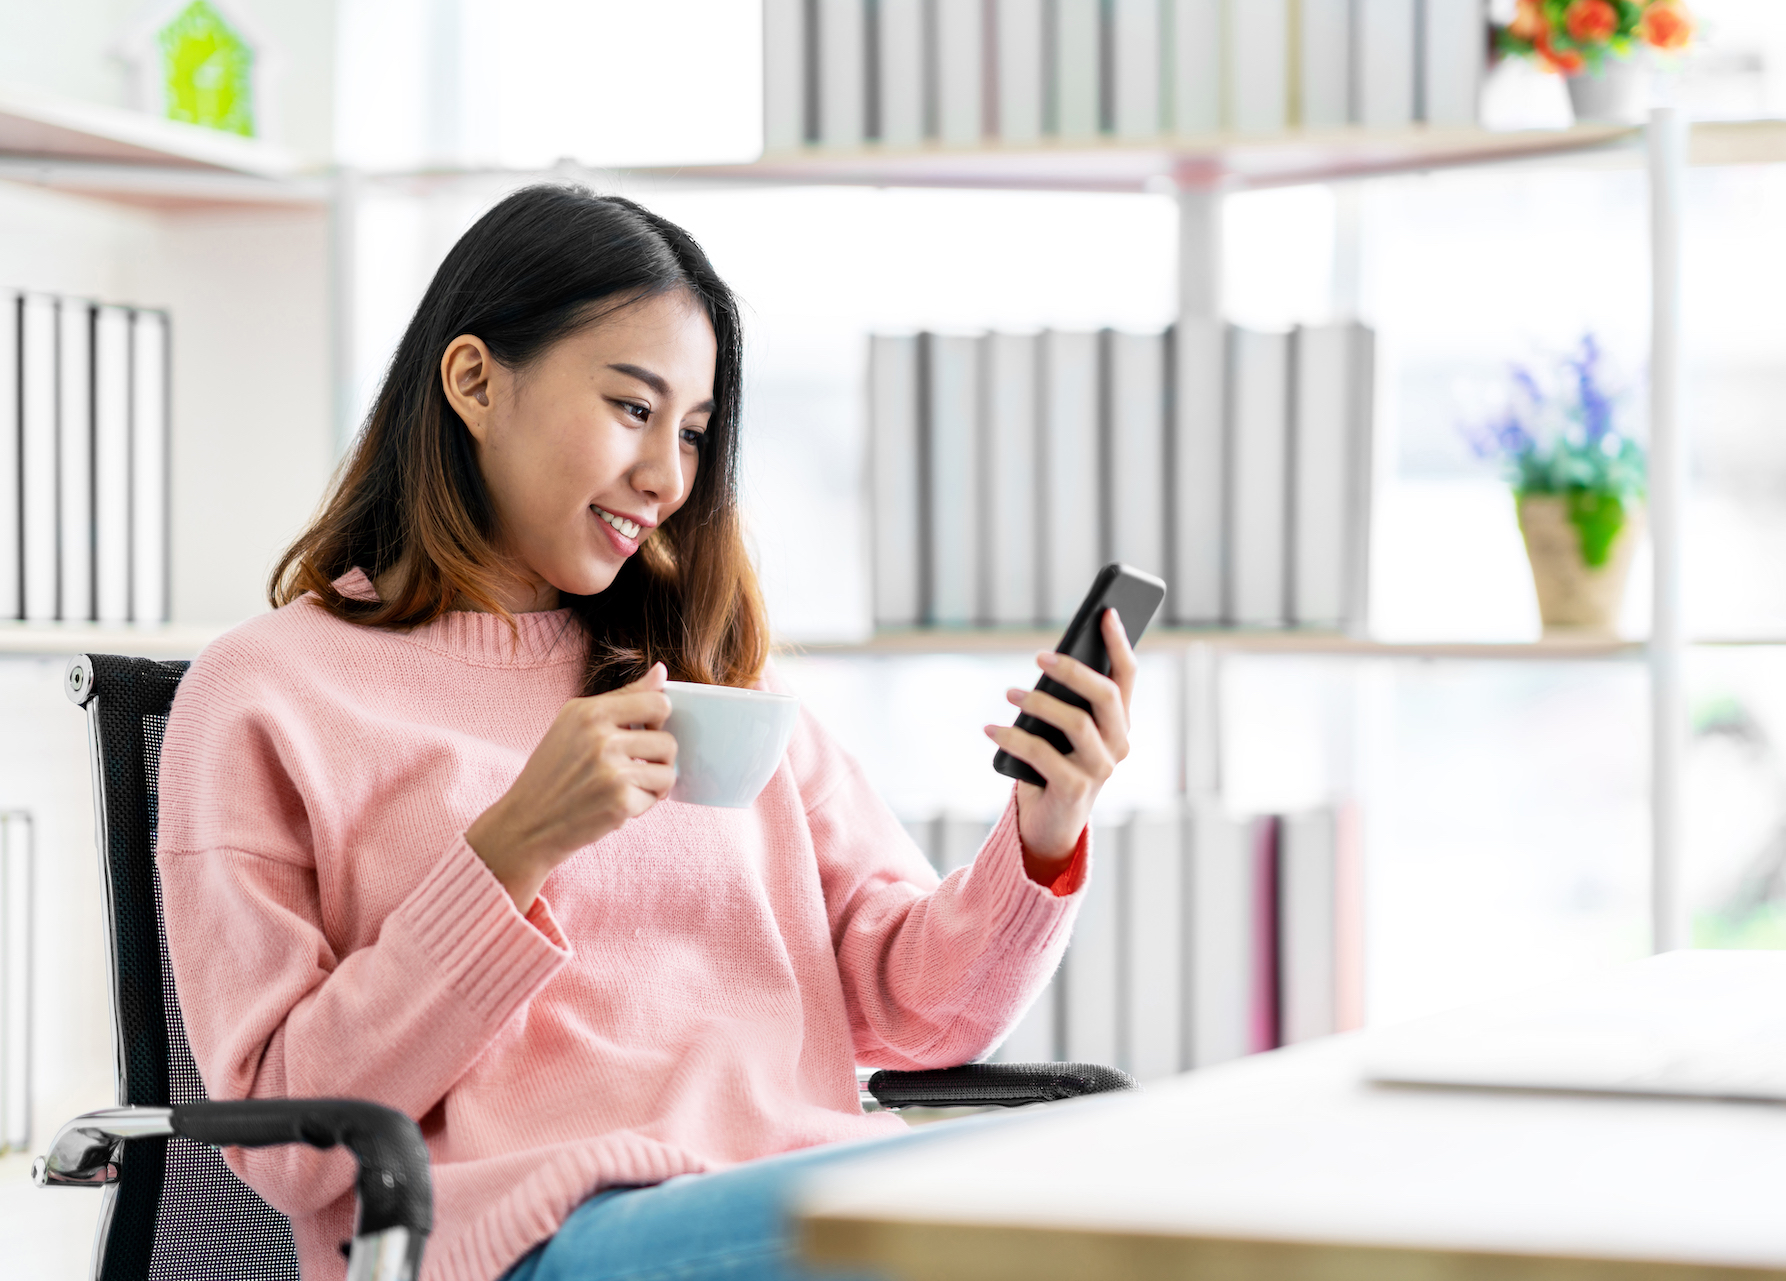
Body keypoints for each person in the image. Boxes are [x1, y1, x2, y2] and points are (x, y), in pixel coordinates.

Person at [155, 184, 1140, 1281]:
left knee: (1133, 1172)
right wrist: (510, 850)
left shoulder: (712, 685)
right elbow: (293, 1144)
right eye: (633, 409)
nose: (669, 478)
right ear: (476, 382)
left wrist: (1043, 836)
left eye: (695, 433)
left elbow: (921, 1016)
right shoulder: (265, 695)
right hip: (530, 1239)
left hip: (782, 1200)